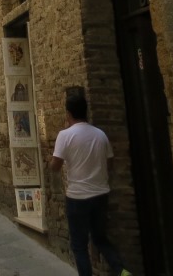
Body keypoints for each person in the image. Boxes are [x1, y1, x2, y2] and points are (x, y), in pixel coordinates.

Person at [49, 93, 131, 276]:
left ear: (68, 114)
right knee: (100, 238)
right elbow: (109, 163)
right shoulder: (100, 135)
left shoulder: (65, 135)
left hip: (77, 197)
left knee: (79, 246)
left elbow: (55, 166)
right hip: (100, 195)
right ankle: (122, 271)